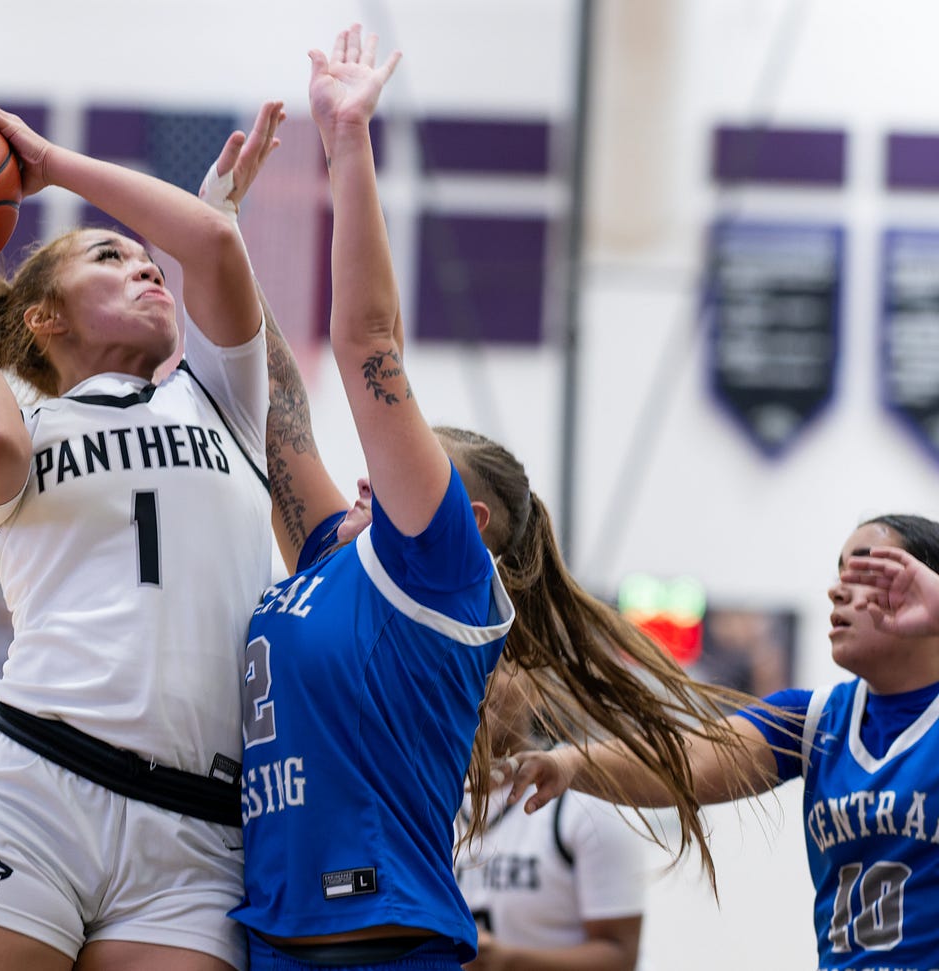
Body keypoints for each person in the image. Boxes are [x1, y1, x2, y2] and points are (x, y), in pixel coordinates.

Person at [224, 25, 761, 970]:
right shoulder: (331, 559)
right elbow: (276, 412)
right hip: (272, 935)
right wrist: (220, 235)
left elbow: (368, 341)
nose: (366, 476)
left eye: (401, 471)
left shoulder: (436, 574)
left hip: (376, 946)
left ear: (463, 525)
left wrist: (349, 143)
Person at [0, 94, 285, 971]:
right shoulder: (26, 430)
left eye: (147, 260)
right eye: (110, 257)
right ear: (46, 318)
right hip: (33, 787)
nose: (147, 268)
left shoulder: (222, 400)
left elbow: (212, 241)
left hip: (195, 829)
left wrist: (49, 164)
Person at [507, 514, 939, 969]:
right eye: (840, 572)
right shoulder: (815, 719)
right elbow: (688, 759)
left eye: (866, 572)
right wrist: (569, 763)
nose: (838, 590)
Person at [454, 664, 646, 971]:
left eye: (500, 663)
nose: (485, 679)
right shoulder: (428, 793)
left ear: (536, 685)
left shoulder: (584, 797)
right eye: (472, 660)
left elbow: (621, 955)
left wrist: (508, 961)